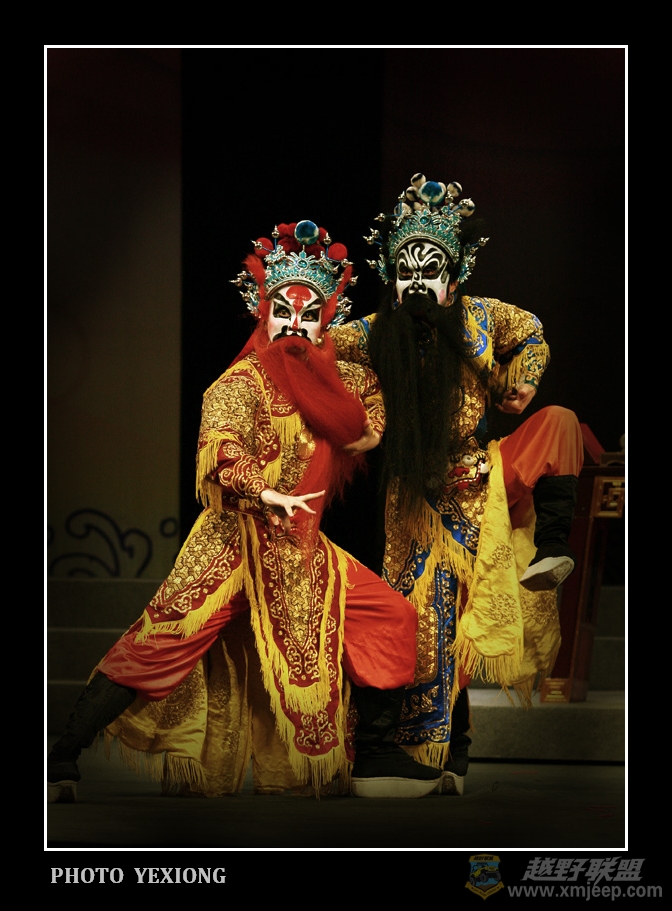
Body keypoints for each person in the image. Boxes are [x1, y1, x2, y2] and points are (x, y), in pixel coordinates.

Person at [46, 219, 442, 803]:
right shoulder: (241, 383)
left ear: (326, 324)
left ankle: (376, 756)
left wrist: (369, 406)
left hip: (299, 548)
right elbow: (222, 448)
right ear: (263, 314)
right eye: (284, 312)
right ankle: (61, 757)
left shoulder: (341, 379)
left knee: (390, 615)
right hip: (232, 542)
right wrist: (263, 491)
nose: (296, 326)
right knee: (161, 643)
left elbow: (370, 413)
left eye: (311, 316)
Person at [331, 173, 584, 796]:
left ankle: (553, 547)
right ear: (390, 275)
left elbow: (533, 331)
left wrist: (522, 377)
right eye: (406, 272)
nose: (418, 283)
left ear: (455, 273)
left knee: (560, 421)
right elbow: (321, 352)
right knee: (429, 620)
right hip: (417, 498)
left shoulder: (480, 318)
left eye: (432, 270)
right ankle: (435, 752)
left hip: (484, 481)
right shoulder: (375, 331)